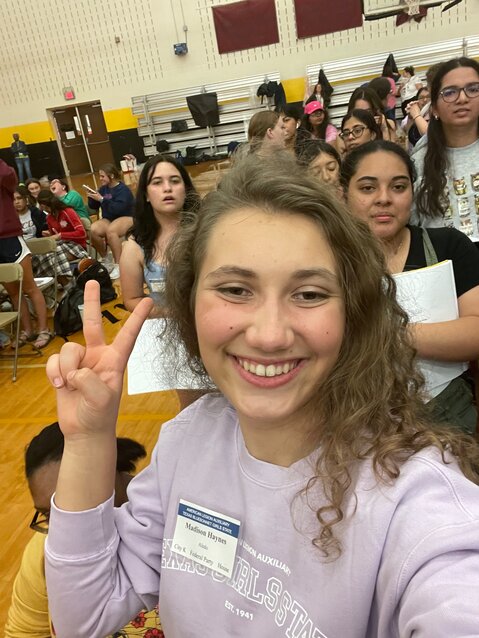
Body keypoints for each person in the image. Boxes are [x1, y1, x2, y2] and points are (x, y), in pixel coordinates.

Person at [44, 155, 479, 638]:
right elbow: (85, 616)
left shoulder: (419, 498)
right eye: (235, 289)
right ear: (188, 306)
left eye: (310, 294)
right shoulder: (189, 438)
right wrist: (87, 440)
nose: (270, 335)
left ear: (354, 314)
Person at [342, 139, 479, 434]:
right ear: (344, 194)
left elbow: (475, 330)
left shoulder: (449, 246)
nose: (384, 199)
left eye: (398, 186)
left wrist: (391, 334)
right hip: (363, 420)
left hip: (449, 416)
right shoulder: (332, 263)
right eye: (367, 188)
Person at [4, 422, 163, 638]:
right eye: (49, 515)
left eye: (75, 506)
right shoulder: (42, 551)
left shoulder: (170, 524)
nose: (62, 525)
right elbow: (24, 633)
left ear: (111, 467)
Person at [120, 154, 200, 317]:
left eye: (175, 181)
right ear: (146, 195)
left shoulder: (207, 231)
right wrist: (172, 314)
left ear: (186, 189)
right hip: (166, 328)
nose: (167, 188)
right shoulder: (135, 246)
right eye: (157, 182)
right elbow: (131, 299)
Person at [413, 57, 479, 241]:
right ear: (434, 108)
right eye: (450, 93)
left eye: (473, 89)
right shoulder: (419, 160)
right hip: (446, 263)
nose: (463, 99)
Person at [0, 159, 52, 349]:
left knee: (29, 287)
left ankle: (44, 329)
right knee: (13, 292)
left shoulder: (4, 173)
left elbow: (9, 176)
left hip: (10, 237)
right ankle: (27, 330)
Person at [14, 186, 73, 288]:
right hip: (21, 251)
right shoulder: (10, 218)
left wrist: (49, 234)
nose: (16, 202)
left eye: (19, 198)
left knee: (49, 256)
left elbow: (47, 230)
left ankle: (66, 284)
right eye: (13, 200)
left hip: (39, 247)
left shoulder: (36, 213)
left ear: (26, 199)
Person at [88, 163, 135, 279]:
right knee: (93, 229)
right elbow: (93, 207)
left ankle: (119, 265)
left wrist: (102, 200)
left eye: (102, 176)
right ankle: (106, 259)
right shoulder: (103, 189)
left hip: (126, 217)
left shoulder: (123, 190)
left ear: (112, 176)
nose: (100, 179)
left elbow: (119, 209)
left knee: (111, 231)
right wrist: (92, 197)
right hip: (109, 218)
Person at [37, 190, 88, 261]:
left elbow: (82, 233)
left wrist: (61, 235)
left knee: (53, 258)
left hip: (77, 246)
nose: (47, 211)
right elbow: (54, 237)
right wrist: (49, 236)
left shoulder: (68, 211)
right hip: (61, 245)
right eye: (44, 209)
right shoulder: (49, 217)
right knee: (42, 256)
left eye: (47, 208)